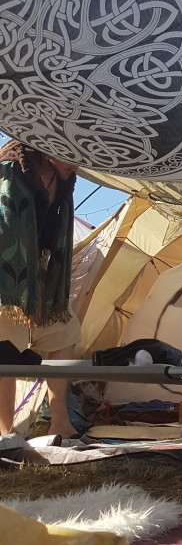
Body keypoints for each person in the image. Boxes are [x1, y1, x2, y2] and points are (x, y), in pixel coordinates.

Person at [0, 140, 79, 437]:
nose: (75, 166)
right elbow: (6, 230)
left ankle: (60, 422)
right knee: (6, 347)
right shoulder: (10, 169)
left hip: (37, 271)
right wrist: (24, 297)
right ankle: (6, 433)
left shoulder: (63, 180)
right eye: (70, 156)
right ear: (49, 146)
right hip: (6, 276)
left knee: (65, 331)